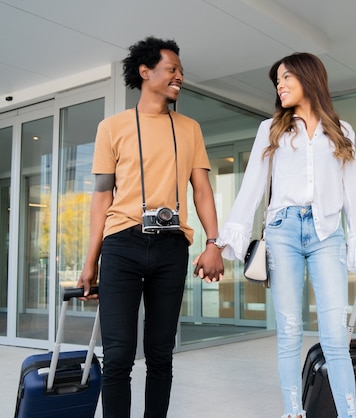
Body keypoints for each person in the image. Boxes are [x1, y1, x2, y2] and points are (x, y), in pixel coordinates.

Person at [216, 52, 356, 418]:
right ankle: (293, 412)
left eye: (286, 78)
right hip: (282, 232)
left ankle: (348, 415)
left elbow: (352, 197)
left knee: (334, 335)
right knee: (290, 331)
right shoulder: (272, 129)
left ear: (309, 78)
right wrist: (224, 242)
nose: (279, 85)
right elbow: (251, 187)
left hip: (327, 234)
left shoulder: (343, 132)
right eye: (277, 80)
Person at [77, 36, 224, 418]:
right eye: (172, 69)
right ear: (146, 72)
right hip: (121, 245)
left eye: (181, 71)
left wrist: (214, 243)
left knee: (161, 353)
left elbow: (202, 189)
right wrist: (91, 260)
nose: (180, 77)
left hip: (172, 247)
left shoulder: (189, 128)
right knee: (119, 354)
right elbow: (101, 197)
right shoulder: (112, 127)